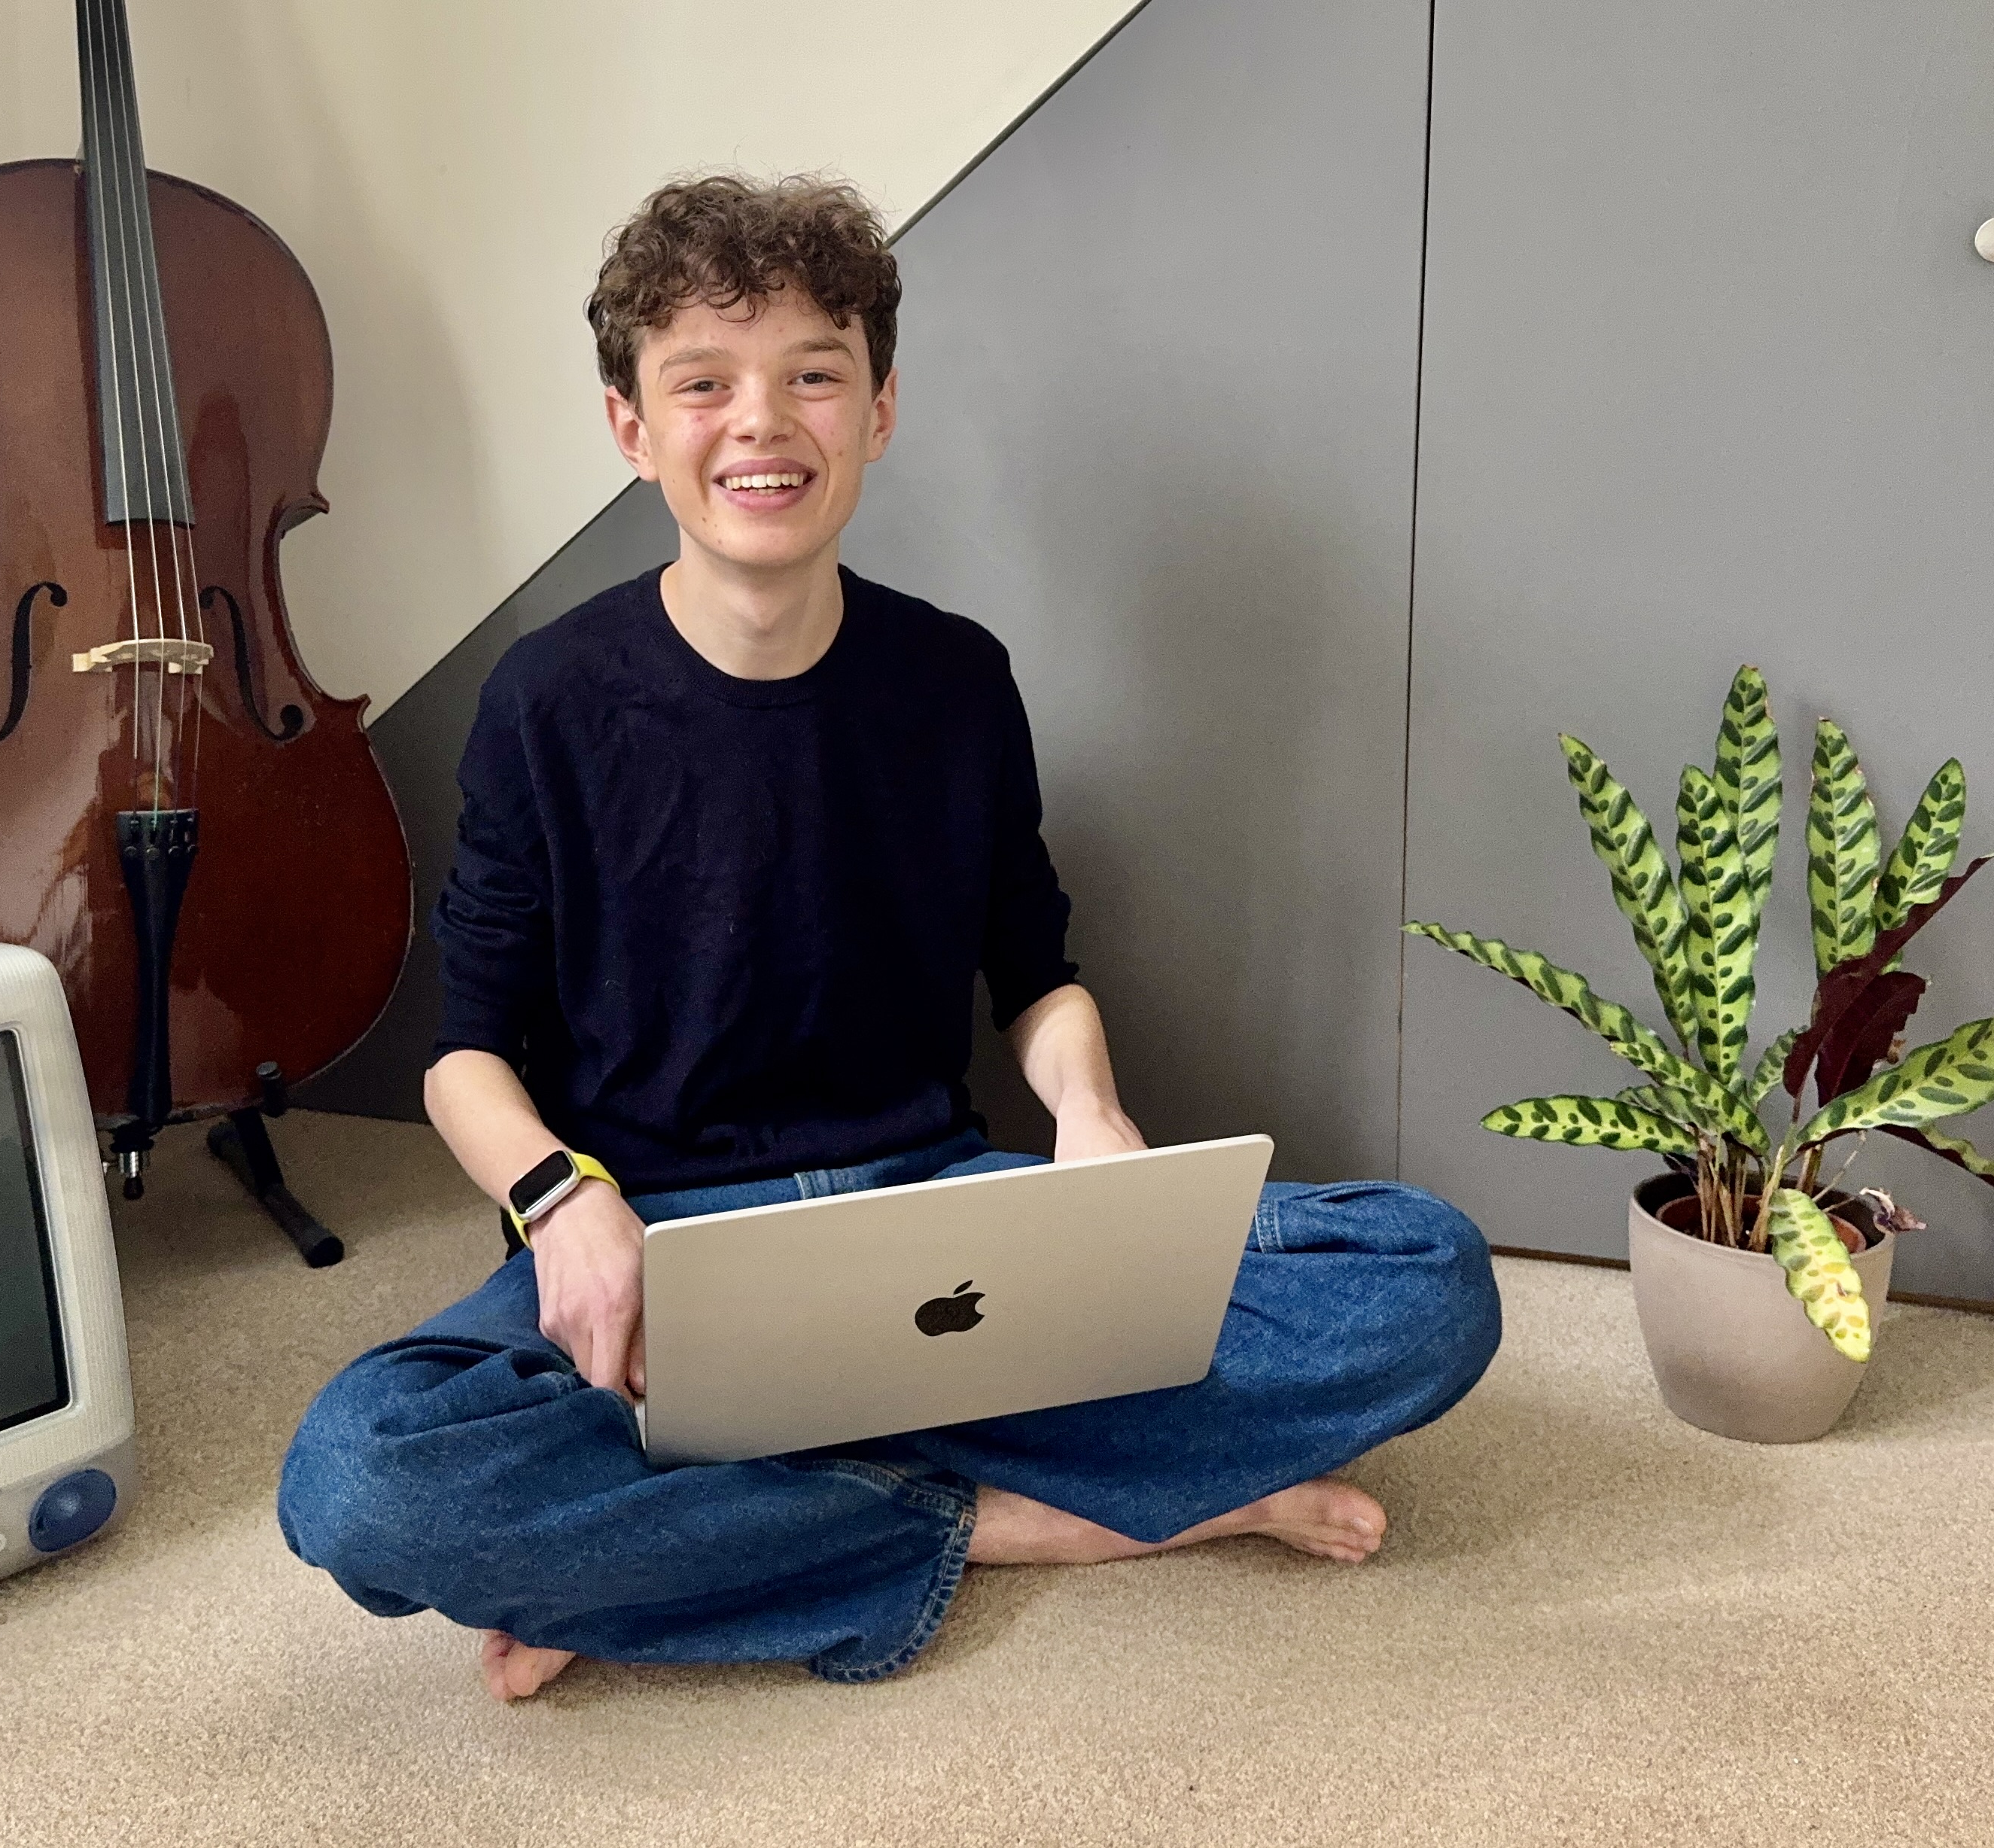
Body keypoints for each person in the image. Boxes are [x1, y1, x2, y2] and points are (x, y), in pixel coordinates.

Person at [278, 174, 1501, 1702]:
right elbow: (467, 1052)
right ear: (629, 429)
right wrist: (554, 1202)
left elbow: (1035, 975)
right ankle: (1014, 1518)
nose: (761, 423)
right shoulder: (545, 699)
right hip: (653, 1245)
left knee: (1428, 1273)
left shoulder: (955, 680)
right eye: (702, 383)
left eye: (811, 374)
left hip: (935, 1223)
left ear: (877, 409)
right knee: (364, 1478)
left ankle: (711, 1530)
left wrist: (1089, 1112)